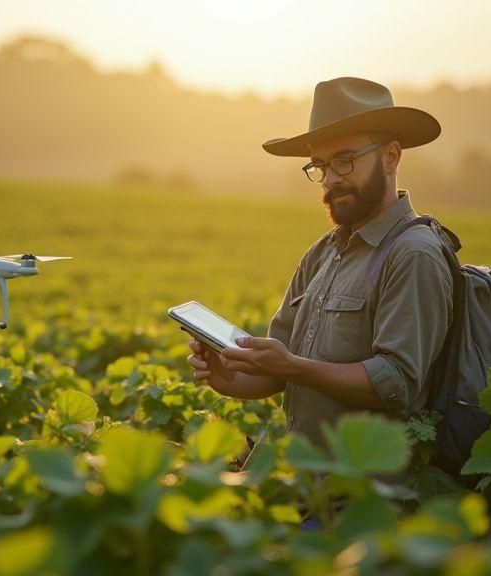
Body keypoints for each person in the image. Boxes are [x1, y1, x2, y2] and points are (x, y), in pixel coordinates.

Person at [186, 77, 454, 456]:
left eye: (345, 161)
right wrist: (229, 378)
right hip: (299, 482)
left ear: (391, 156)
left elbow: (395, 382)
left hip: (362, 499)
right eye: (320, 165)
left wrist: (293, 367)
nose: (330, 180)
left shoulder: (413, 254)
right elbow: (280, 369)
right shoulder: (322, 253)